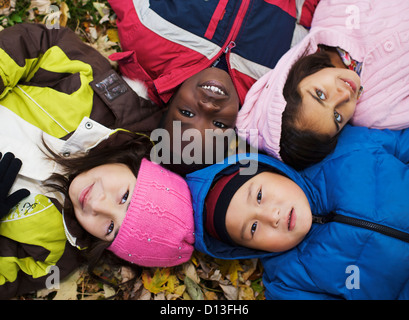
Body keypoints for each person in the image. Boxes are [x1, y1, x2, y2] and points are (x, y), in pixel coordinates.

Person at [0, 23, 194, 299]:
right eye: (125, 196)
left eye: (110, 228)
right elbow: (42, 44)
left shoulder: (53, 253)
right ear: (135, 166)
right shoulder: (96, 103)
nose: (98, 205)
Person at [185, 124, 409, 299]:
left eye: (260, 196)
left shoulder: (338, 149)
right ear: (251, 250)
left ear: (273, 171)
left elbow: (402, 144)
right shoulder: (290, 285)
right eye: (253, 228)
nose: (271, 216)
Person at [108, 0, 320, 174]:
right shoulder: (272, 81)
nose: (208, 107)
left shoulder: (147, 38)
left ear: (167, 105)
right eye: (218, 124)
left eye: (186, 112)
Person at [236, 0, 409, 170]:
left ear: (300, 76)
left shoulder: (332, 14)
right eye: (337, 117)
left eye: (320, 94)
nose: (343, 95)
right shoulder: (377, 112)